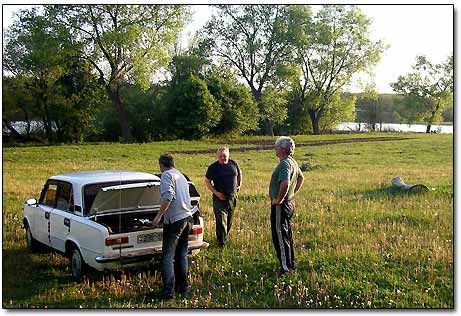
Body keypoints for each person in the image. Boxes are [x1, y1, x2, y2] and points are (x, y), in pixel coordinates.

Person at [153, 154, 195, 300]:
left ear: (161, 165)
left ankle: (168, 293)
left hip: (175, 221)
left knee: (167, 256)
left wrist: (158, 216)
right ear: (173, 163)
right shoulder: (180, 175)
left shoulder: (165, 175)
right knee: (182, 255)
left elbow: (168, 197)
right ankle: (183, 287)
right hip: (188, 217)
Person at [269, 136, 304, 274]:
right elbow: (301, 178)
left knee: (280, 236)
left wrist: (279, 199)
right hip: (289, 203)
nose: (275, 149)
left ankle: (285, 268)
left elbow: (285, 183)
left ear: (282, 149)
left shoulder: (284, 164)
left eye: (276, 146)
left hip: (281, 205)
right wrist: (292, 194)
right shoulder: (292, 162)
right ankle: (290, 263)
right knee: (287, 234)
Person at [205, 147, 242, 247]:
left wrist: (239, 185)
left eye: (224, 156)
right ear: (217, 156)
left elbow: (239, 174)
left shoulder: (233, 164)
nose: (222, 158)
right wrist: (216, 193)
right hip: (219, 198)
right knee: (221, 221)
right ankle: (221, 243)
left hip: (232, 197)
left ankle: (224, 238)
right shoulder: (213, 167)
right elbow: (207, 181)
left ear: (228, 155)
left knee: (229, 220)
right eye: (220, 156)